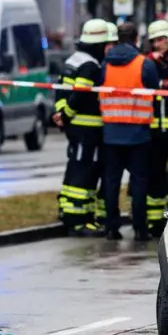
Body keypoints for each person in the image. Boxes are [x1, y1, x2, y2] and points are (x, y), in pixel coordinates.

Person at [97, 22, 162, 241]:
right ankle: (140, 229)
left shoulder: (105, 64)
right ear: (136, 39)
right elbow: (155, 89)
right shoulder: (145, 64)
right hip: (138, 135)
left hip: (111, 133)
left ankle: (111, 228)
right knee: (139, 182)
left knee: (111, 182)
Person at [53, 18, 116, 236]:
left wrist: (61, 114)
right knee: (85, 173)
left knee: (75, 169)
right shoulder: (90, 66)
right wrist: (68, 115)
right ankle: (79, 220)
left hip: (76, 130)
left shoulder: (73, 60)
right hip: (86, 130)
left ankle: (69, 211)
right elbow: (80, 95)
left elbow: (60, 91)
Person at [143, 19, 168, 232]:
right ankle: (155, 221)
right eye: (155, 40)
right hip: (155, 129)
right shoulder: (149, 63)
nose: (159, 44)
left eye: (162, 39)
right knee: (156, 173)